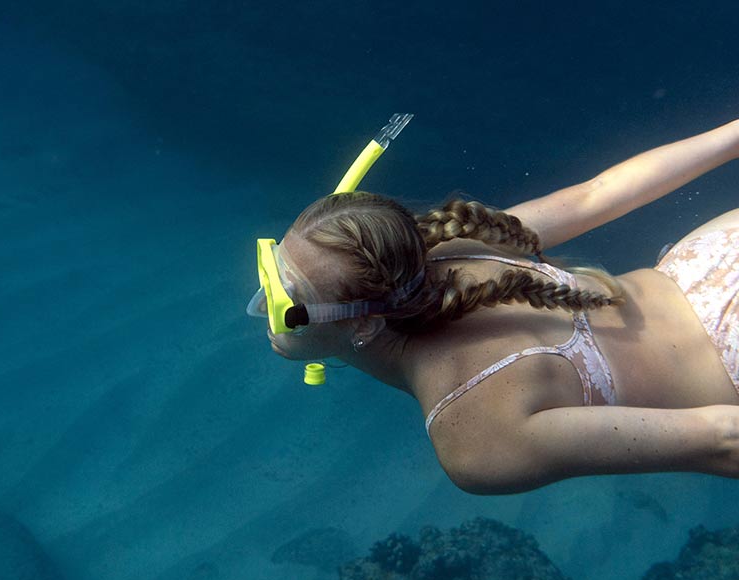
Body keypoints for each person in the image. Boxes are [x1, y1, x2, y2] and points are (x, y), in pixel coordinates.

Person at [251, 118, 739, 494]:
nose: (259, 307)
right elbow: (600, 194)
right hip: (710, 255)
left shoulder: (475, 439)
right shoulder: (446, 246)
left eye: (283, 300)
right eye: (269, 278)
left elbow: (722, 437)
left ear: (366, 324)